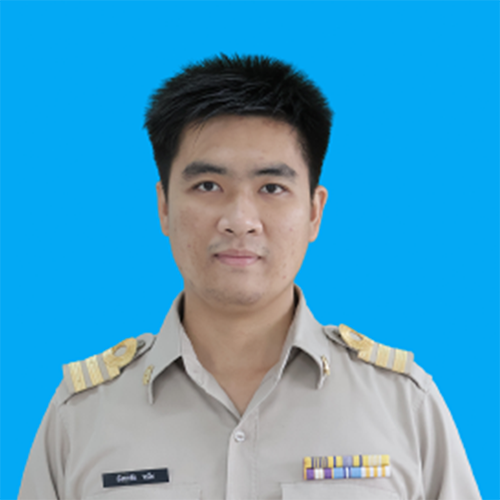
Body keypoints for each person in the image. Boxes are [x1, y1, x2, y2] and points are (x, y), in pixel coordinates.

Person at [19, 54, 481, 500]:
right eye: (208, 186)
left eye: (272, 187)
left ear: (315, 211)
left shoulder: (404, 403)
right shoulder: (81, 414)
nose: (240, 220)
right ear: (163, 206)